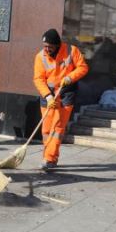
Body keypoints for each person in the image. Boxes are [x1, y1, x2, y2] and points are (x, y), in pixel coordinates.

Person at [33, 28, 89, 171]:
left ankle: (50, 159)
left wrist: (70, 77)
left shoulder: (72, 51)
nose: (47, 49)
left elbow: (83, 68)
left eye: (49, 46)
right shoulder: (40, 57)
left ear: (57, 44)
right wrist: (48, 96)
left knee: (57, 128)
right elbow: (38, 79)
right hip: (49, 95)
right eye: (44, 46)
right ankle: (48, 156)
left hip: (66, 94)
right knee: (46, 129)